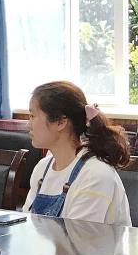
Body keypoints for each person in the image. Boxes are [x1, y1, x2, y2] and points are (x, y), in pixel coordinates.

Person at [24, 81, 131, 226]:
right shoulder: (42, 168)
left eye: (32, 116)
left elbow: (79, 237)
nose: (28, 124)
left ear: (60, 122)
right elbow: (27, 225)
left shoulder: (95, 174)